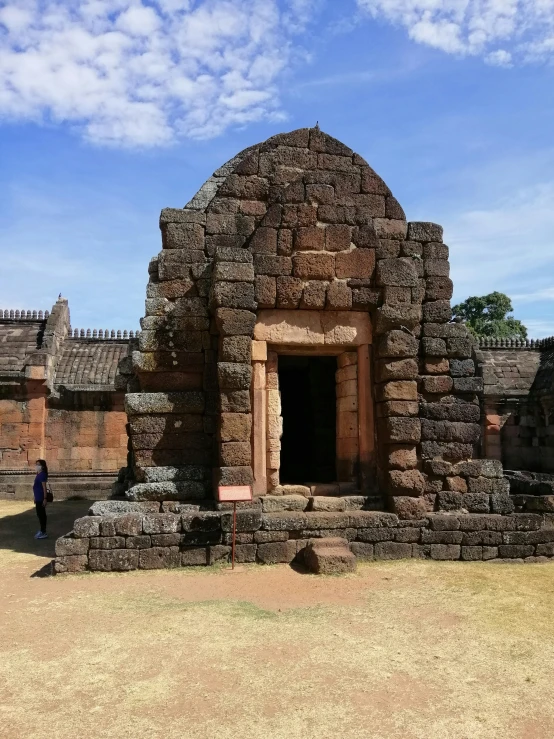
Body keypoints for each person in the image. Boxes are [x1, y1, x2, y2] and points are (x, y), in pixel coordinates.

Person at [33, 459, 49, 539]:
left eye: (38, 464)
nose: (36, 466)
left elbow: (44, 487)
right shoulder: (38, 474)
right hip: (38, 497)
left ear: (42, 466)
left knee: (42, 515)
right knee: (39, 514)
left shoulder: (42, 475)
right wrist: (35, 497)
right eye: (36, 464)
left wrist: (45, 498)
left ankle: (43, 532)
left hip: (41, 498)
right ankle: (42, 530)